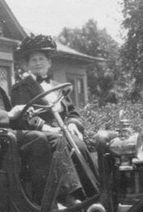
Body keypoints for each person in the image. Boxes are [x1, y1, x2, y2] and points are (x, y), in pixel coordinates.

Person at [0, 15, 83, 207]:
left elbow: (2, 108)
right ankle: (44, 208)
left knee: (57, 138)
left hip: (1, 132)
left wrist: (22, 114)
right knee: (38, 139)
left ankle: (67, 198)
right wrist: (9, 115)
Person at [11, 35, 98, 197]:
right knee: (63, 144)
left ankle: (94, 193)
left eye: (41, 59)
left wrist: (72, 124)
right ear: (27, 65)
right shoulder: (20, 88)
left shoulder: (58, 86)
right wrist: (49, 128)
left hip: (63, 130)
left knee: (79, 145)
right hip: (42, 134)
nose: (38, 62)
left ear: (49, 63)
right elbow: (25, 116)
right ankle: (74, 195)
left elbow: (72, 112)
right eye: (33, 60)